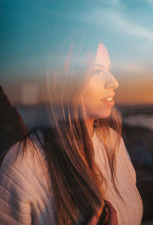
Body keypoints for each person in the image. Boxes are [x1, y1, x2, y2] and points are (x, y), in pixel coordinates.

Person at [0, 42, 143, 225]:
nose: (114, 82)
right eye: (96, 71)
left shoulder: (113, 142)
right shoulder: (22, 166)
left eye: (109, 69)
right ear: (65, 81)